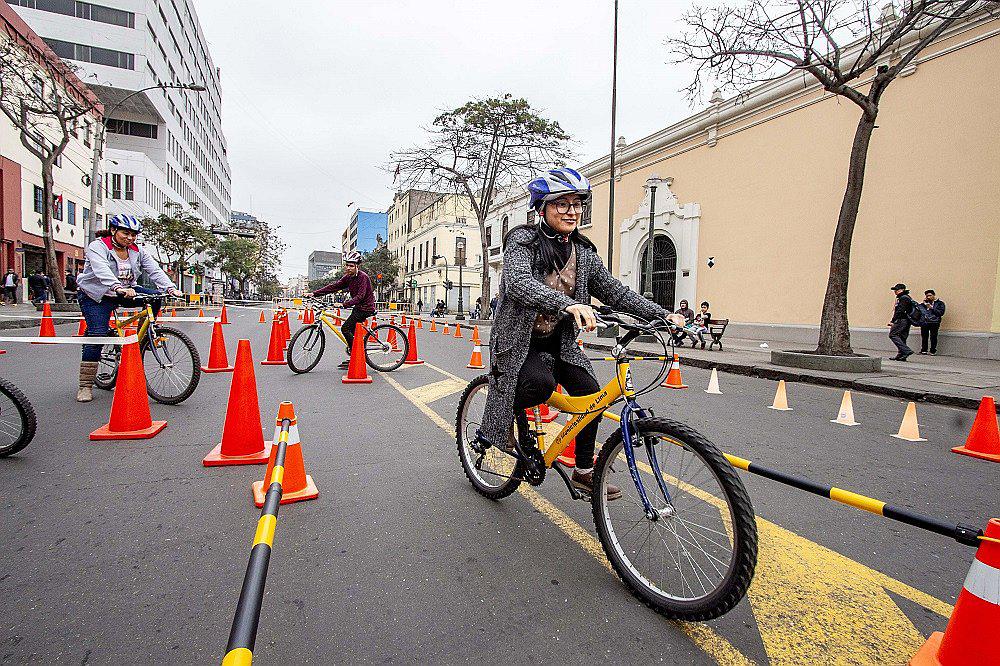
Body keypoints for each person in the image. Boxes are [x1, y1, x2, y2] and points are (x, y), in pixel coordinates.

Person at [478, 168, 671, 500]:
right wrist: (567, 304)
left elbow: (615, 292)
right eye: (562, 204)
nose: (572, 211)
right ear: (543, 208)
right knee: (539, 385)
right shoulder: (522, 242)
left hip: (560, 343)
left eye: (577, 204)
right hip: (519, 342)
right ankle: (502, 418)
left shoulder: (582, 251)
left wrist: (665, 315)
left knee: (591, 394)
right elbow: (520, 284)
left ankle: (584, 471)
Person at [74, 215, 182, 402]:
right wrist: (118, 287)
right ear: (113, 230)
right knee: (97, 335)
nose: (130, 238)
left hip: (124, 291)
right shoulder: (98, 246)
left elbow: (154, 270)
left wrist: (170, 287)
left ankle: (143, 338)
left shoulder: (137, 251)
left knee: (155, 297)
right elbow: (101, 270)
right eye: (126, 233)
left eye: (134, 234)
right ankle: (85, 386)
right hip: (96, 295)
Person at [307, 251, 375, 370]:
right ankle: (356, 354)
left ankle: (357, 357)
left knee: (345, 328)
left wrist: (344, 304)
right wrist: (314, 293)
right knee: (351, 331)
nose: (348, 268)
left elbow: (360, 296)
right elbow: (334, 287)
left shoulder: (363, 277)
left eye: (351, 266)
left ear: (357, 266)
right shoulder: (348, 278)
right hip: (358, 307)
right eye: (347, 265)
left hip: (365, 308)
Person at [888, 282, 917, 361]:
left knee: (893, 334)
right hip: (907, 320)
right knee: (902, 337)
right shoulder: (906, 297)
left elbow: (900, 311)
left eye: (897, 290)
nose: (895, 291)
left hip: (902, 319)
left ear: (902, 290)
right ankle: (901, 355)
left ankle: (906, 351)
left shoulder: (903, 298)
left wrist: (893, 320)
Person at [918, 289, 945, 355]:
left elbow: (940, 313)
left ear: (934, 295)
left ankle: (933, 350)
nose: (928, 297)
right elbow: (920, 312)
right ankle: (924, 350)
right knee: (924, 337)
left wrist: (931, 308)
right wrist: (923, 305)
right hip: (925, 322)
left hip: (934, 322)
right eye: (927, 296)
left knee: (933, 337)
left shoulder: (940, 304)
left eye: (930, 295)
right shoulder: (924, 304)